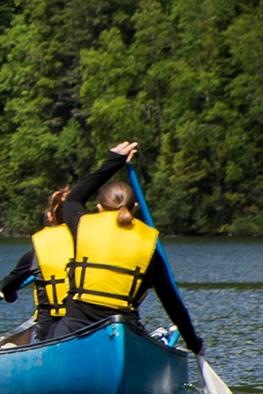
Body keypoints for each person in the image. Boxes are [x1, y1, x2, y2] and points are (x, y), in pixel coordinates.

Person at [53, 142, 203, 351]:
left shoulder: (81, 226)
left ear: (99, 207)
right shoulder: (149, 247)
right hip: (124, 333)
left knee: (53, 332)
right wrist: (194, 342)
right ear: (135, 207)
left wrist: (113, 161)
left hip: (74, 329)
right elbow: (172, 304)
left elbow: (73, 198)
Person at [0, 185, 73, 337]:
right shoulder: (90, 243)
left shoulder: (37, 252)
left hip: (51, 326)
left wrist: (10, 295)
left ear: (50, 216)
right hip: (86, 321)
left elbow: (8, 286)